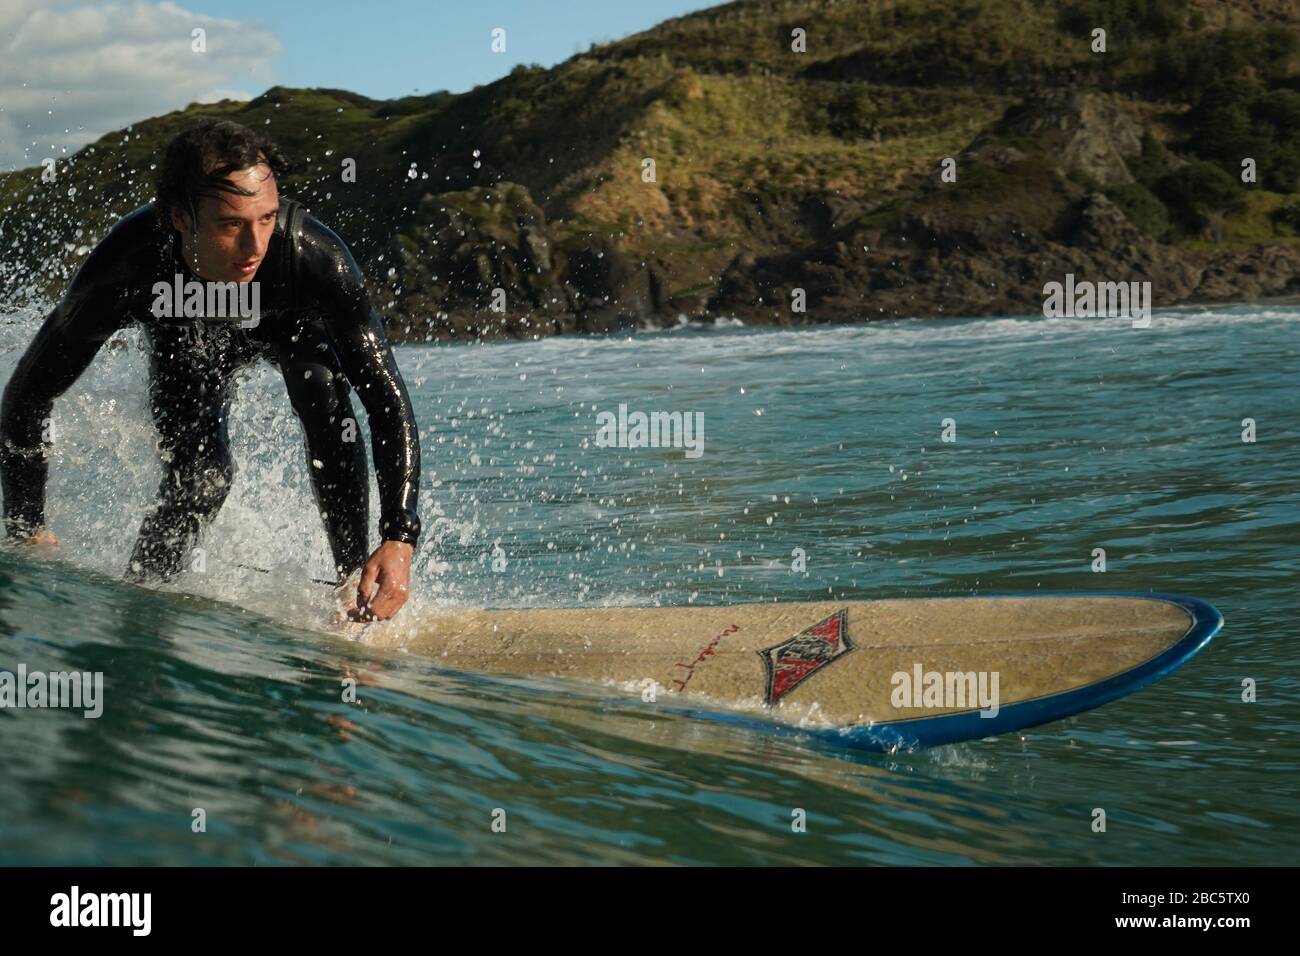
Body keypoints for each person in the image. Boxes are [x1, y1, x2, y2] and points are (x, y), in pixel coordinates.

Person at [0, 119, 421, 621]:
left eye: (266, 218)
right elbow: (27, 395)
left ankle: (356, 589)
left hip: (287, 326)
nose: (254, 247)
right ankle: (145, 597)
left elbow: (385, 399)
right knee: (202, 479)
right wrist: (27, 527)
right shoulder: (126, 268)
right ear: (179, 218)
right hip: (183, 337)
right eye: (230, 225)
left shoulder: (312, 257)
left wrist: (399, 535)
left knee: (326, 401)